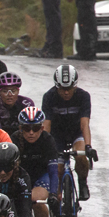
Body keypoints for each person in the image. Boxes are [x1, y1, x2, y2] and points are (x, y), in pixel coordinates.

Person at [41, 64, 93, 200]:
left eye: (69, 89)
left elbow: (84, 124)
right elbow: (46, 125)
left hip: (76, 132)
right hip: (57, 135)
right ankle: (55, 200)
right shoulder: (49, 96)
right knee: (57, 168)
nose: (65, 92)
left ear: (75, 86)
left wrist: (88, 146)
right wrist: (44, 145)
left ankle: (82, 183)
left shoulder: (84, 96)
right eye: (62, 89)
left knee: (81, 156)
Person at [12, 107, 60, 217]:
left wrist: (53, 193)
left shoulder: (48, 140)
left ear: (42, 128)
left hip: (41, 176)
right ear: (21, 128)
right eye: (27, 128)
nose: (31, 132)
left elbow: (53, 171)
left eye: (35, 128)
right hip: (21, 176)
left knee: (34, 200)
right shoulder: (14, 139)